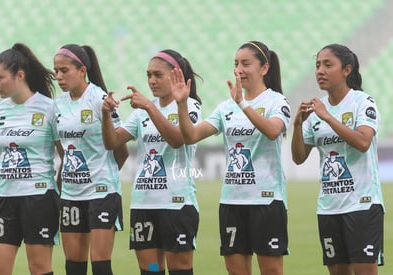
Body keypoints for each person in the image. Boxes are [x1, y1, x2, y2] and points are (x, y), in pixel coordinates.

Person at [173, 41, 290, 275]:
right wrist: (182, 104)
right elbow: (191, 136)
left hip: (266, 201)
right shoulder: (225, 107)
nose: (238, 69)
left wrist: (242, 103)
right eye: (236, 64)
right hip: (232, 201)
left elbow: (273, 131)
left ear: (264, 68)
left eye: (245, 63)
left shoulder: (276, 101)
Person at [102, 49, 202, 275]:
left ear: (174, 75)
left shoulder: (189, 107)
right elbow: (112, 142)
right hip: (143, 203)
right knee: (151, 270)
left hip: (176, 203)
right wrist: (106, 115)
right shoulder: (140, 114)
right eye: (148, 75)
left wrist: (149, 106)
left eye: (157, 75)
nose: (151, 80)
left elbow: (177, 140)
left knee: (179, 270)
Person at [291, 43, 384, 275]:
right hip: (329, 208)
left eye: (328, 65)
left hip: (362, 205)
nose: (320, 70)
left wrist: (328, 117)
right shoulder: (315, 114)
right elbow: (299, 157)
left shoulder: (363, 102)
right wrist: (297, 126)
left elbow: (363, 142)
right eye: (317, 65)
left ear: (347, 70)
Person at [53, 44, 128, 275]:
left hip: (101, 193)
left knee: (100, 265)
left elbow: (121, 151)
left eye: (64, 70)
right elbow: (64, 152)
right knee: (73, 267)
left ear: (82, 69)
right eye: (56, 71)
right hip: (71, 194)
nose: (58, 76)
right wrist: (60, 190)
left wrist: (103, 175)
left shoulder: (100, 99)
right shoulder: (58, 104)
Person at [0, 43, 62, 275]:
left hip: (39, 197)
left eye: (0, 78)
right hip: (5, 198)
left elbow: (66, 156)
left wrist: (56, 193)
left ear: (20, 75)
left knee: (39, 268)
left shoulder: (49, 109)